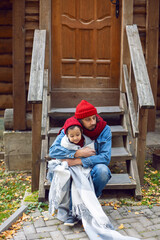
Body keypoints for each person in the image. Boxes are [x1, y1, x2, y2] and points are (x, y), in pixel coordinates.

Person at [49, 100, 112, 225]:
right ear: (80, 121)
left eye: (94, 118)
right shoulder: (72, 128)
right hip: (73, 167)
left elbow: (105, 157)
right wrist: (77, 153)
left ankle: (91, 201)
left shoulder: (104, 129)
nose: (93, 122)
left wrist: (79, 161)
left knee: (103, 171)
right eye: (88, 119)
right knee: (60, 172)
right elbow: (53, 151)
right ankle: (73, 209)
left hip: (91, 166)